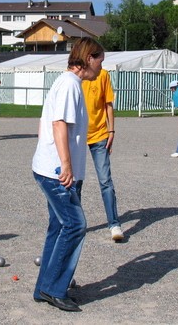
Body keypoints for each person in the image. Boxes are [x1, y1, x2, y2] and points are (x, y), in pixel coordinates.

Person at [32, 37, 104, 312]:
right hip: (57, 173)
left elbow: (44, 123)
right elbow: (59, 123)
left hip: (54, 169)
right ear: (89, 59)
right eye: (100, 61)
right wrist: (65, 165)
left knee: (59, 226)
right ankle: (54, 289)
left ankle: (44, 287)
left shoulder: (69, 84)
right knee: (75, 225)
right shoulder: (69, 84)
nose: (101, 67)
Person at [81, 68, 124, 241]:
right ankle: (77, 224)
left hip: (99, 134)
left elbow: (108, 104)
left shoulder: (103, 74)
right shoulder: (75, 74)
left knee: (105, 181)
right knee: (76, 182)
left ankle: (114, 224)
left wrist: (111, 130)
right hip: (77, 135)